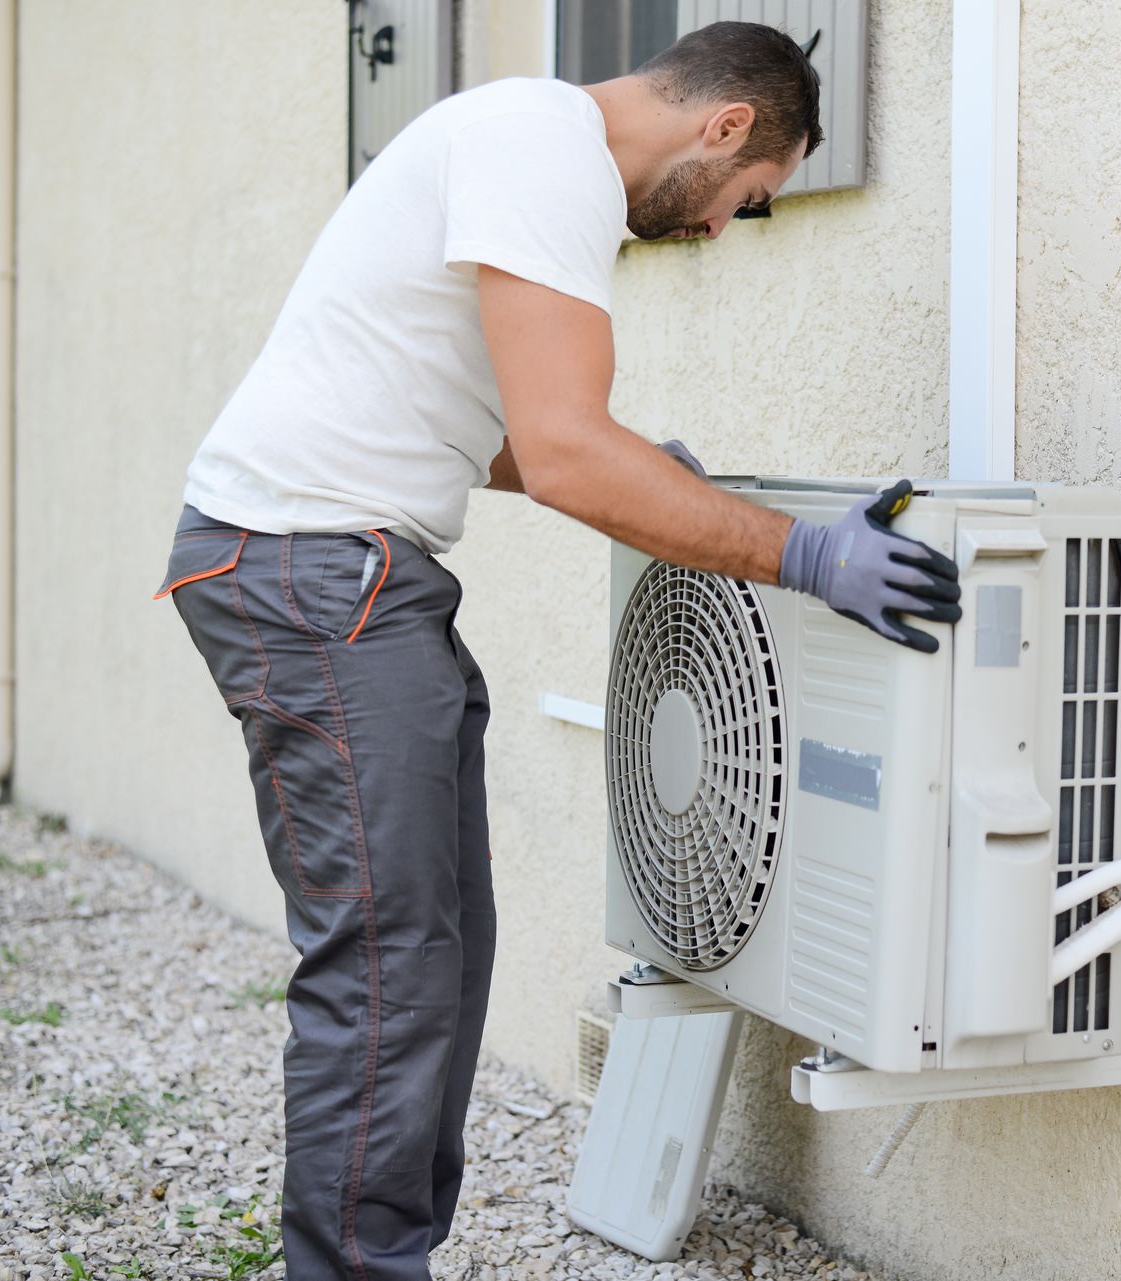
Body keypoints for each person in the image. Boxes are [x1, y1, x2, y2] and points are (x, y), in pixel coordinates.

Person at [153, 21, 960, 1281]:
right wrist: (806, 555)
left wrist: (650, 481)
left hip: (334, 570)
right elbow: (574, 451)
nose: (719, 232)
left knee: (440, 949)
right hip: (317, 577)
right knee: (390, 966)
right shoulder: (547, 153)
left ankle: (382, 1256)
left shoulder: (517, 144)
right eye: (748, 205)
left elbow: (481, 433)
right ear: (726, 127)